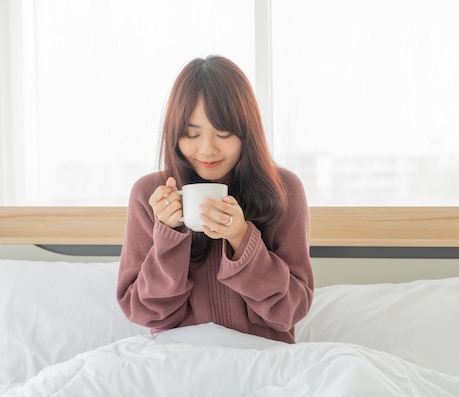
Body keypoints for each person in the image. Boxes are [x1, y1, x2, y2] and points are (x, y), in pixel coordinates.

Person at [117, 55, 314, 343]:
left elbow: (289, 311)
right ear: (174, 135)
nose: (207, 150)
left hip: (263, 362)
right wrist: (168, 237)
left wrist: (242, 239)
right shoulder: (149, 195)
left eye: (223, 133)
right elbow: (145, 312)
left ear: (247, 133)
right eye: (191, 134)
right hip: (178, 362)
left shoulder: (283, 189)